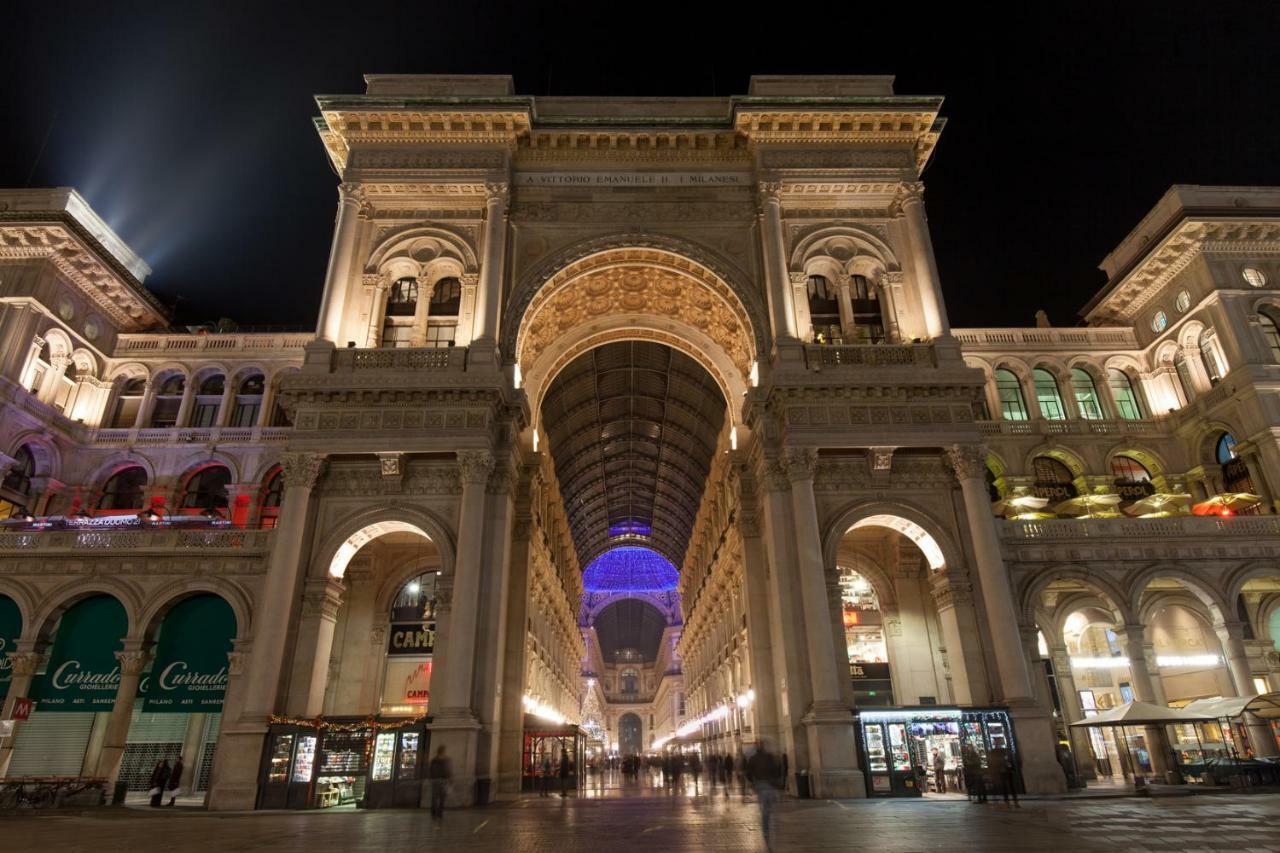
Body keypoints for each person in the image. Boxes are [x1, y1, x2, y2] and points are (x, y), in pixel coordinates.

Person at [746, 742, 783, 853]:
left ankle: (766, 827)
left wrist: (753, 781)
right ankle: (773, 825)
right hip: (770, 784)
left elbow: (748, 772)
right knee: (771, 806)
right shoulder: (769, 757)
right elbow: (777, 769)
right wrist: (777, 781)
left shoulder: (752, 758)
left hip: (760, 784)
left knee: (765, 809)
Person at [427, 745, 452, 819]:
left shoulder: (434, 760)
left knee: (435, 797)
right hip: (443, 781)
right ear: (443, 751)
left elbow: (431, 770)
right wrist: (449, 779)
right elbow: (448, 771)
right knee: (442, 798)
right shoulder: (446, 760)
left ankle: (434, 812)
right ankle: (439, 813)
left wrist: (431, 778)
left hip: (435, 780)